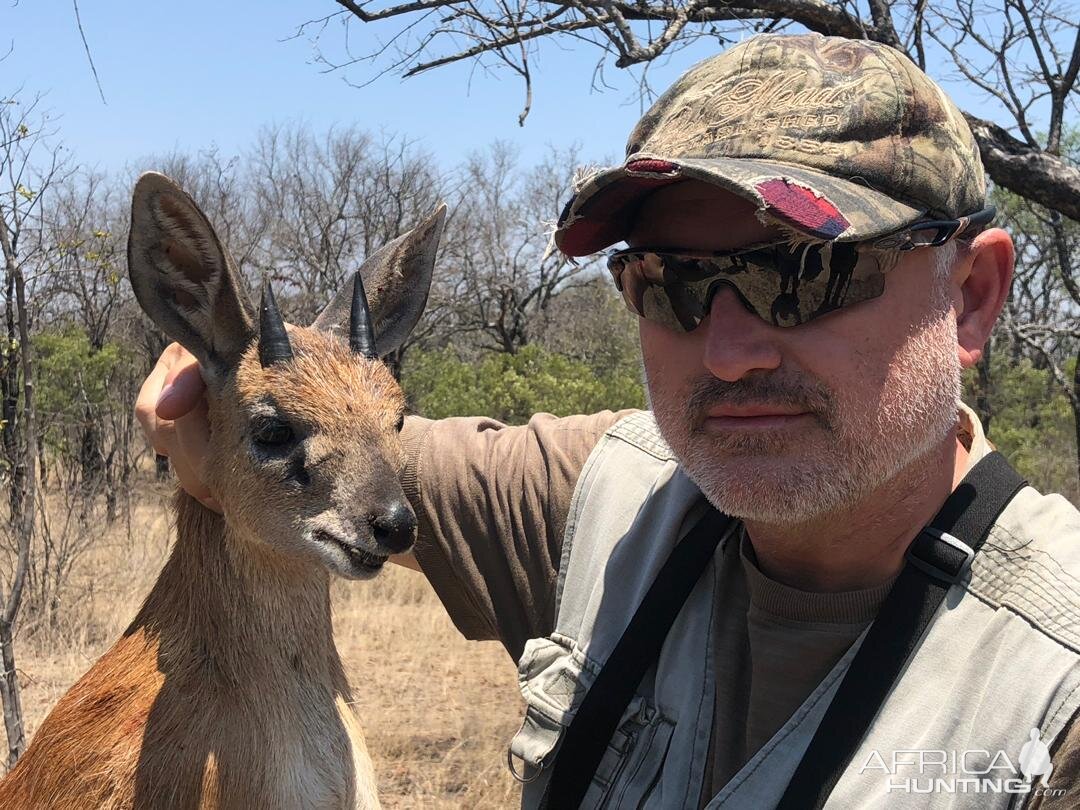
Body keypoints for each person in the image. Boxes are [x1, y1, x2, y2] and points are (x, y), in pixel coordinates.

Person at [136, 32, 1080, 809]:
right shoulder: (610, 494)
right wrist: (212, 403)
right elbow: (315, 460)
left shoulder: (1053, 693)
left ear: (972, 295)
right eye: (670, 283)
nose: (727, 350)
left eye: (806, 273)